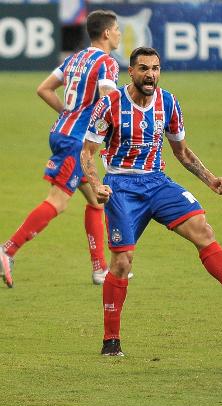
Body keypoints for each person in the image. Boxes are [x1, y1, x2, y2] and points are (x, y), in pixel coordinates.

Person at [80, 46, 222, 356]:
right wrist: (96, 185)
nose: (150, 74)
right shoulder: (111, 104)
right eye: (144, 68)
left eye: (155, 68)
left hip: (158, 183)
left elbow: (181, 152)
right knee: (122, 263)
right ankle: (110, 341)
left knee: (203, 230)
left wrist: (211, 179)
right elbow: (87, 151)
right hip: (122, 186)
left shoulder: (168, 102)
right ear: (132, 71)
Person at [0, 10, 121, 287]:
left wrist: (69, 114)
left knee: (96, 200)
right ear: (106, 33)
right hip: (78, 143)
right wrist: (115, 131)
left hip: (62, 133)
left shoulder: (74, 59)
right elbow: (107, 102)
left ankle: (100, 270)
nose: (118, 35)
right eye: (117, 30)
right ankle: (7, 250)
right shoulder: (107, 64)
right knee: (58, 200)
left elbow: (44, 89)